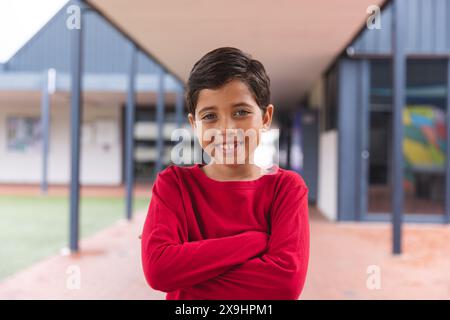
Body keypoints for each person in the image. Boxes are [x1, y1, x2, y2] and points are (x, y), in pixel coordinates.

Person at [141, 47, 309, 300]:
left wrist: (188, 275)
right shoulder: (174, 185)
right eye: (209, 116)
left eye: (241, 112)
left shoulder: (286, 188)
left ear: (265, 117)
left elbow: (285, 286)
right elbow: (159, 271)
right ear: (193, 124)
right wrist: (255, 241)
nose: (226, 129)